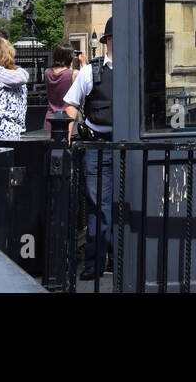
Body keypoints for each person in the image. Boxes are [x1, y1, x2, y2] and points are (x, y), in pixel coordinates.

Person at [63, 17, 115, 279]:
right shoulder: (90, 71)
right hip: (97, 144)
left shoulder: (136, 68)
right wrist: (69, 138)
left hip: (126, 146)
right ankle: (95, 262)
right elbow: (71, 104)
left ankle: (117, 259)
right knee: (98, 205)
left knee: (122, 204)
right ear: (107, 41)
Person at [44, 45, 77, 132]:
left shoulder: (47, 72)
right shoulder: (73, 74)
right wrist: (83, 63)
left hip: (50, 118)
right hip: (68, 119)